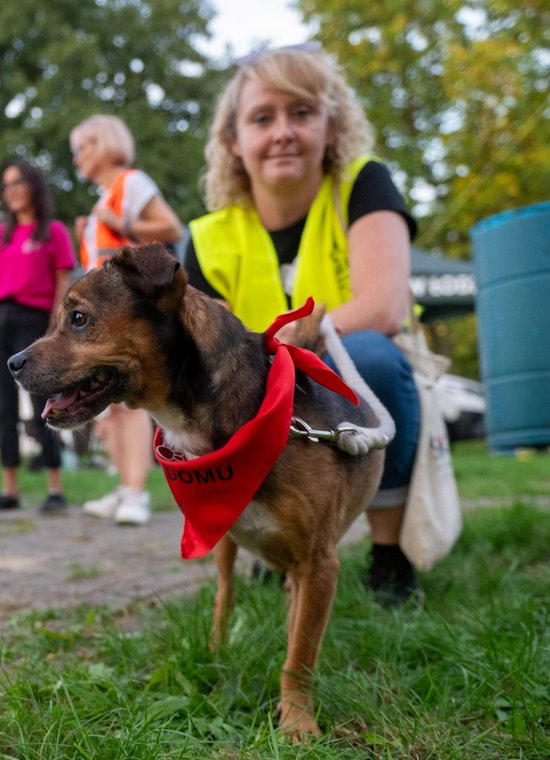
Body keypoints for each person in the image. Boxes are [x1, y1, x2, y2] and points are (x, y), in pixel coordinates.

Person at [185, 44, 422, 605]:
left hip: (353, 374)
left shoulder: (363, 184)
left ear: (331, 125)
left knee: (372, 357)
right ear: (233, 141)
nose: (283, 132)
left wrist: (299, 336)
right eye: (262, 118)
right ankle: (275, 540)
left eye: (302, 113)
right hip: (262, 390)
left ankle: (389, 554)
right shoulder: (206, 236)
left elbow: (385, 306)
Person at [69, 114, 184, 525]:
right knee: (109, 404)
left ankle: (136, 494)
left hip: (128, 310)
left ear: (102, 145)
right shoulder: (103, 199)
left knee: (128, 402)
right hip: (103, 313)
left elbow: (170, 227)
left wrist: (122, 223)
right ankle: (124, 488)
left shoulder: (130, 183)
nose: (77, 157)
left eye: (81, 147)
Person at [0, 160, 76, 513]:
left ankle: (55, 487)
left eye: (17, 182)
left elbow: (64, 283)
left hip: (35, 322)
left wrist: (55, 330)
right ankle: (9, 490)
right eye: (6, 185)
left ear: (33, 186)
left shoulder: (54, 232)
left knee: (42, 404)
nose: (11, 189)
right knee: (2, 407)